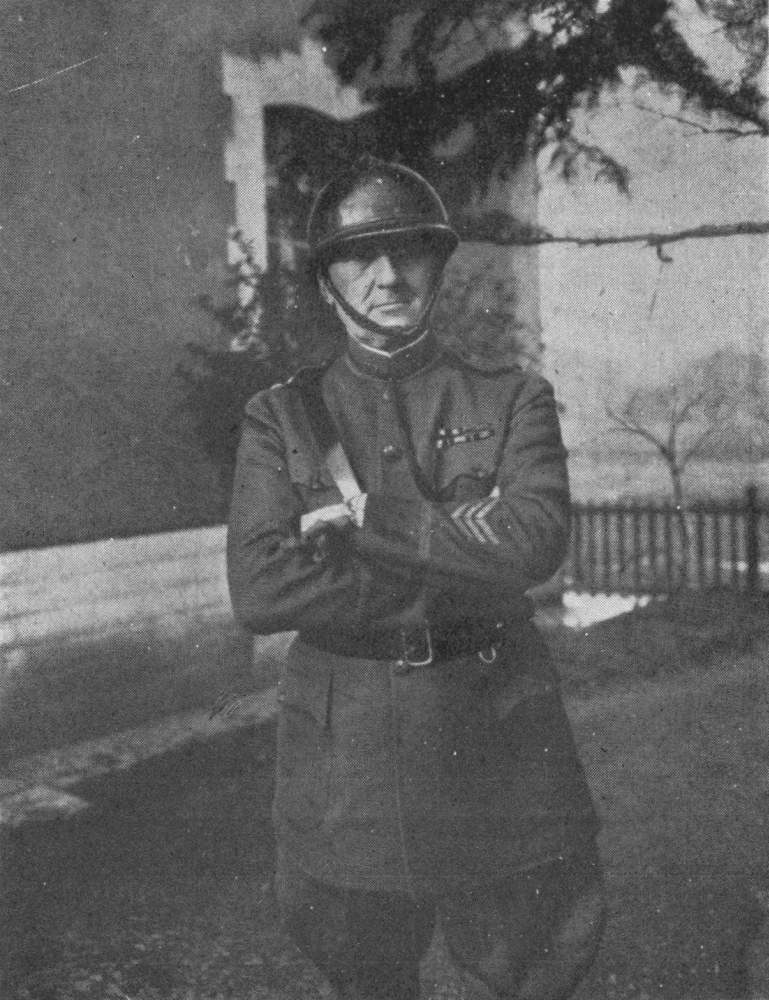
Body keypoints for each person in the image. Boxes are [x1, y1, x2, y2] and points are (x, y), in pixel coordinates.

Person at [227, 155, 605, 1000]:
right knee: (361, 966)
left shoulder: (511, 399)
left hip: (497, 729)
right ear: (326, 281)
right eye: (358, 257)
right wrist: (466, 555)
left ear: (437, 265)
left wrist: (367, 527)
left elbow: (534, 542)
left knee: (535, 953)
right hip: (347, 749)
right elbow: (260, 590)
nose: (387, 276)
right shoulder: (280, 416)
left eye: (408, 252)